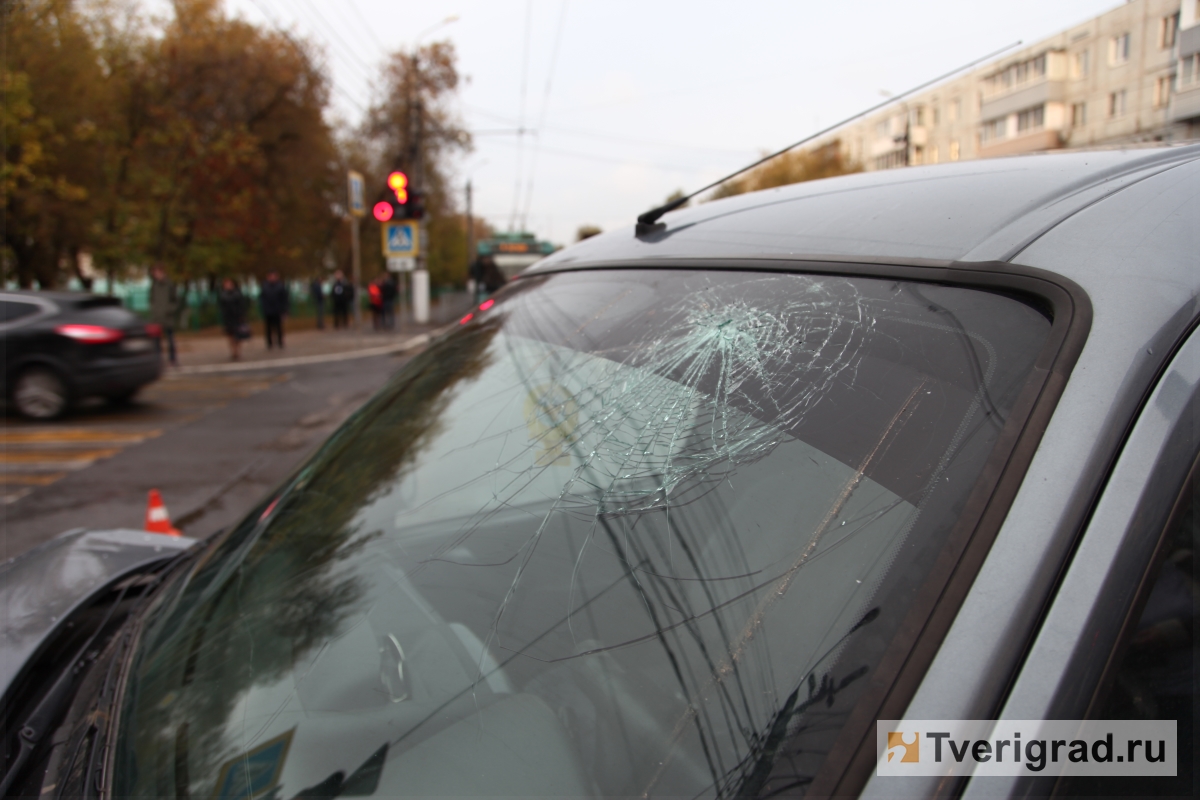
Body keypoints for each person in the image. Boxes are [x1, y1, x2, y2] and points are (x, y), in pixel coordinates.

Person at [148, 264, 181, 366]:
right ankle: (158, 359)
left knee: (170, 338)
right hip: (157, 317)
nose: (155, 274)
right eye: (154, 272)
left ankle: (173, 359)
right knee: (156, 340)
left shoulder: (169, 285)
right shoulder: (154, 285)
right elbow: (152, 299)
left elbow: (175, 301)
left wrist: (169, 310)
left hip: (167, 317)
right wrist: (154, 310)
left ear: (162, 272)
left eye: (157, 272)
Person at [217, 278, 248, 362]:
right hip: (228, 318)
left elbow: (242, 305)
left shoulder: (237, 294)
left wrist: (242, 315)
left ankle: (237, 350)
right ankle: (234, 351)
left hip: (237, 317)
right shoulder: (222, 295)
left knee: (238, 335)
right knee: (230, 335)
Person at [259, 271, 290, 349]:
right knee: (268, 328)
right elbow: (262, 298)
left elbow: (284, 299)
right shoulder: (265, 286)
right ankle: (269, 343)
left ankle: (280, 341)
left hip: (277, 310)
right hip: (268, 311)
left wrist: (284, 310)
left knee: (278, 327)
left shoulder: (280, 286)